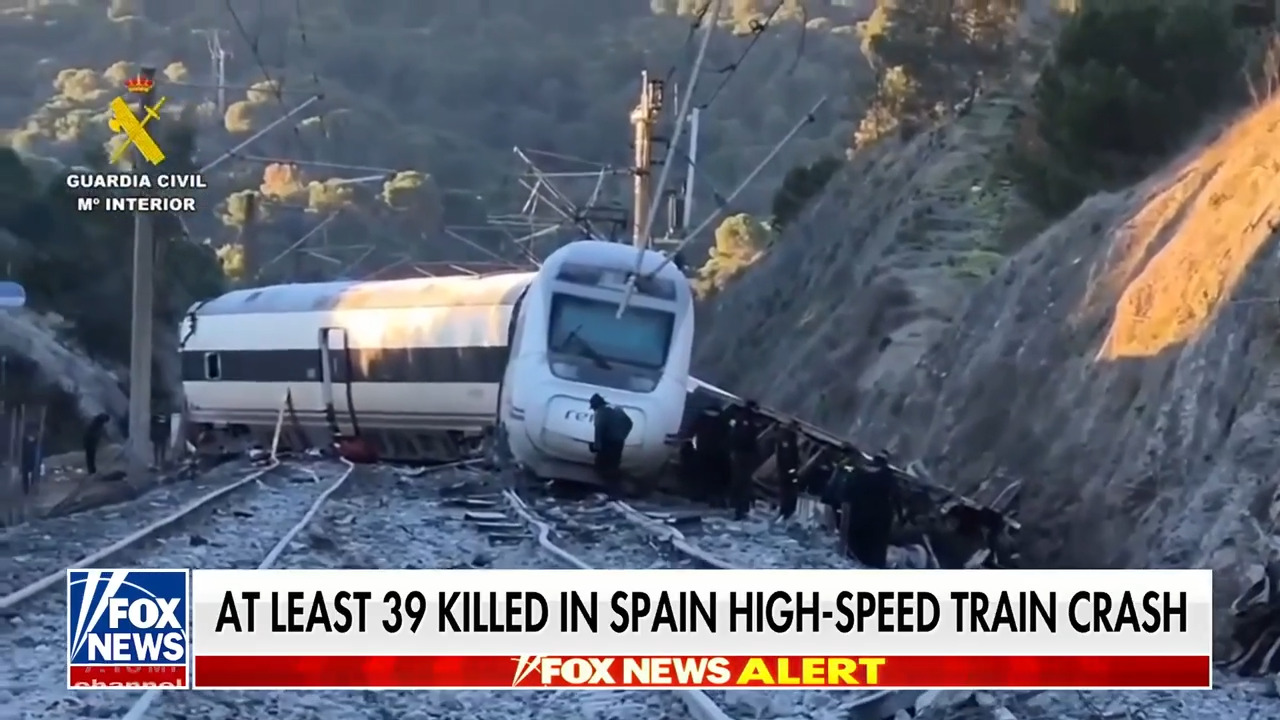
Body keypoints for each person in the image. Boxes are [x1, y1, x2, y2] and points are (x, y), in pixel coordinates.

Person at [843, 452, 901, 568]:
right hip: (878, 530)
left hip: (858, 527)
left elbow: (846, 509)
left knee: (853, 560)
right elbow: (896, 503)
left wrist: (842, 538)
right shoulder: (889, 478)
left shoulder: (855, 475)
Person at [727, 400, 761, 521]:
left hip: (741, 456)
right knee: (744, 481)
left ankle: (747, 411)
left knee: (739, 481)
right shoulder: (748, 420)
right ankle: (741, 507)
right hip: (743, 455)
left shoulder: (741, 418)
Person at [588, 394, 632, 487]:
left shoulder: (601, 413)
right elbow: (629, 423)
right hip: (618, 442)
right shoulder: (616, 409)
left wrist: (596, 446)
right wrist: (622, 436)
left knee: (602, 467)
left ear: (595, 406)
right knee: (614, 465)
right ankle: (615, 486)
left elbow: (599, 430)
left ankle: (604, 487)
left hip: (608, 443)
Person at [775, 420, 800, 520]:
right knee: (789, 491)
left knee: (785, 490)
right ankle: (786, 511)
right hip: (787, 471)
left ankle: (784, 511)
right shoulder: (789, 438)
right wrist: (792, 471)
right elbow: (787, 456)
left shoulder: (784, 437)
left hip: (785, 471)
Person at [20, 431, 39, 495]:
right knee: (27, 476)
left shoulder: (31, 445)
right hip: (28, 462)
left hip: (29, 462)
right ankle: (28, 488)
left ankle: (28, 488)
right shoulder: (30, 445)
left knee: (28, 476)